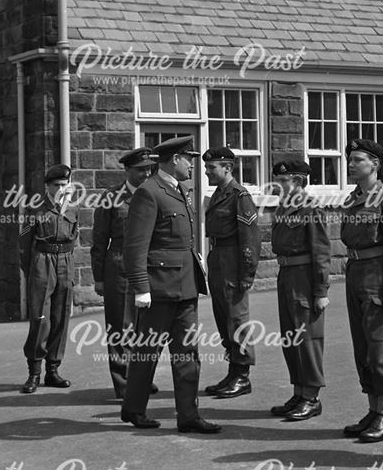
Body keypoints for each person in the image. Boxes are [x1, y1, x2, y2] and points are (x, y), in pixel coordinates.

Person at [121, 136, 220, 434]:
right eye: (187, 158)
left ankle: (188, 415)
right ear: (174, 160)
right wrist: (141, 288)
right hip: (159, 290)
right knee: (147, 353)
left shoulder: (180, 190)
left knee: (187, 354)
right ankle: (134, 409)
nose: (191, 164)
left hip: (186, 287)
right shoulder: (149, 192)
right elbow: (135, 246)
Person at [339, 139, 383, 442]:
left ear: (375, 165)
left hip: (377, 279)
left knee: (380, 350)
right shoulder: (354, 198)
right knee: (363, 349)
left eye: (357, 160)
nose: (351, 165)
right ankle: (373, 409)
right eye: (350, 160)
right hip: (355, 275)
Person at [91, 147, 157, 399]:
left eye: (149, 170)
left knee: (144, 328)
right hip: (118, 267)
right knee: (120, 327)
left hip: (147, 267)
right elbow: (99, 240)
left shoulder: (152, 194)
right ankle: (123, 382)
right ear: (127, 170)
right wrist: (98, 277)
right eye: (140, 170)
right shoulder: (112, 198)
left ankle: (140, 378)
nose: (146, 174)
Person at [268, 159, 331, 422]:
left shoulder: (311, 208)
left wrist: (321, 290)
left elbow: (321, 251)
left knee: (307, 339)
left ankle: (311, 397)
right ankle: (298, 391)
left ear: (299, 181)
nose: (279, 186)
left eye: (284, 181)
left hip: (305, 277)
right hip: (287, 275)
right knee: (290, 337)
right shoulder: (284, 207)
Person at [202, 146, 261, 400]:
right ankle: (232, 370)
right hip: (218, 259)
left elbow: (250, 239)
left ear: (227, 168)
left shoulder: (239, 196)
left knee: (237, 319)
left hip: (233, 261)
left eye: (211, 167)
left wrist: (247, 273)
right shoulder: (219, 194)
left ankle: (242, 375)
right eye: (206, 167)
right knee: (222, 317)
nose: (206, 172)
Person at [20, 165, 79, 394]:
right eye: (56, 185)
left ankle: (53, 369)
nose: (61, 189)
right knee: (41, 318)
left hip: (65, 260)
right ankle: (34, 372)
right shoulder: (35, 208)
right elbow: (24, 244)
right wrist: (32, 271)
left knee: (61, 316)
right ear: (47, 186)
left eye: (65, 185)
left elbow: (75, 238)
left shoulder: (73, 208)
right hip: (42, 262)